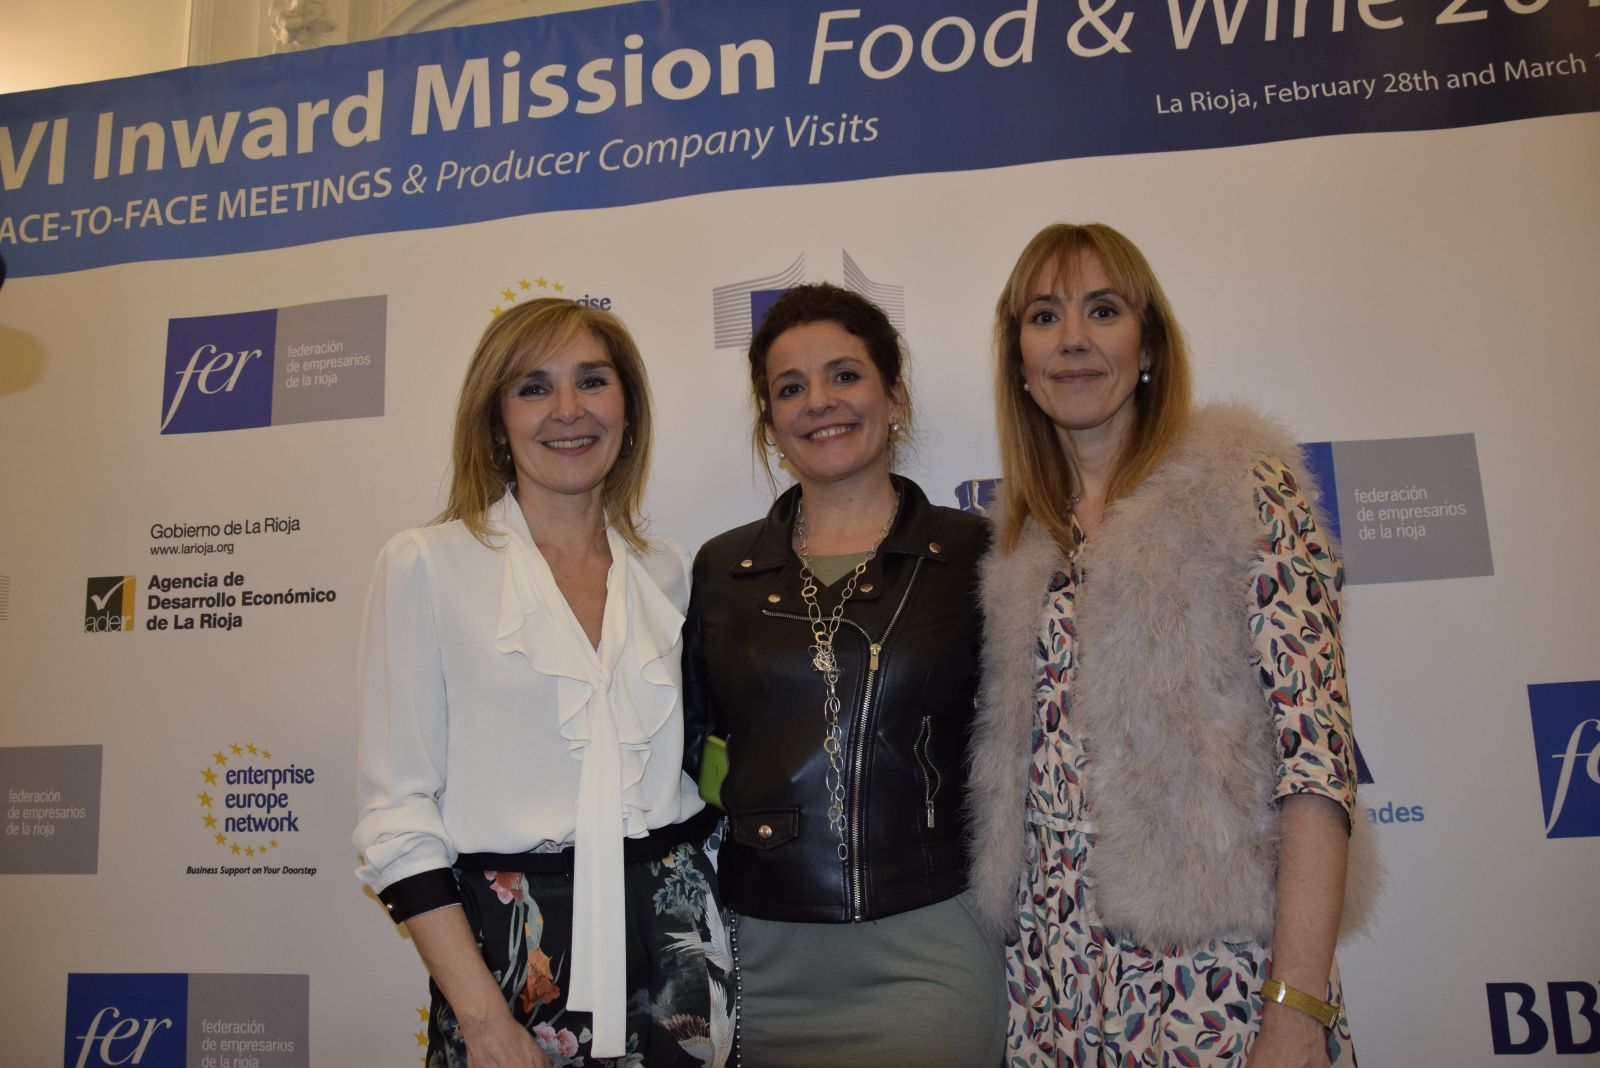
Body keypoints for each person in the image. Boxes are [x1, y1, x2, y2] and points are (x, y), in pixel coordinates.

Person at [967, 222, 1376, 1067]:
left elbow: (1316, 764)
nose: (1072, 339)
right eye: (1043, 317)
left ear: (1148, 344)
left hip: (1214, 979)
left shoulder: (1243, 490)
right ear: (1019, 360)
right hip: (1052, 981)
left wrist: (1295, 1009)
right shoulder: (1019, 541)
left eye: (1102, 310)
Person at [353, 299, 731, 1068]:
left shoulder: (669, 571)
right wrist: (483, 1019)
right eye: (533, 387)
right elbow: (396, 813)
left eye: (592, 381)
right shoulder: (426, 565)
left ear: (628, 410)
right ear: (496, 421)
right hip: (507, 959)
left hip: (683, 938)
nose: (567, 410)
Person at [681, 283, 1006, 1067]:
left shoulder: (978, 555)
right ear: (770, 422)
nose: (820, 402)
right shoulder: (723, 569)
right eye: (790, 388)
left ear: (895, 395)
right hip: (762, 960)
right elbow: (695, 751)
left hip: (930, 952)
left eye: (845, 375)